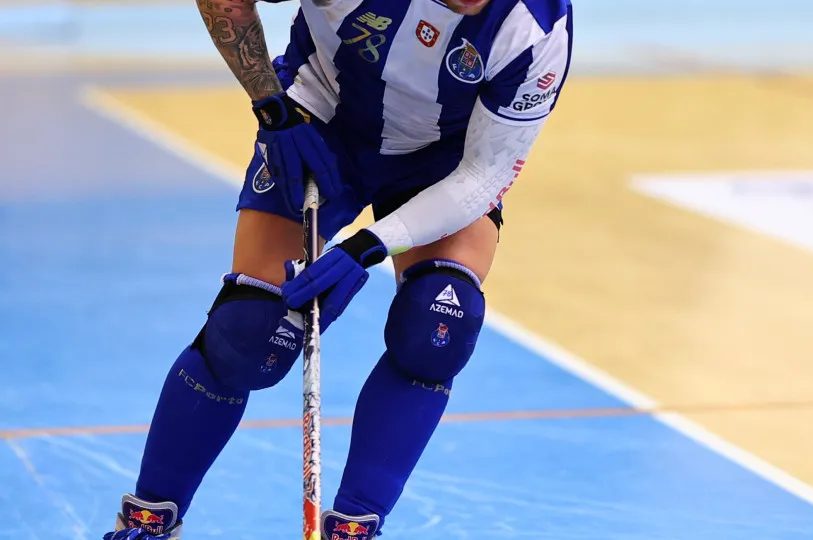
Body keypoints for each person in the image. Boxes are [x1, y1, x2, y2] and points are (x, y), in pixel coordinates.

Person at [104, 0, 572, 538]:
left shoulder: (538, 26)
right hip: (321, 122)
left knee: (439, 324)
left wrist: (367, 247)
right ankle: (148, 520)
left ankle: (355, 526)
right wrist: (270, 106)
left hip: (444, 156)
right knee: (249, 333)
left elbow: (485, 174)